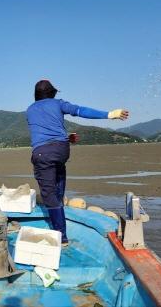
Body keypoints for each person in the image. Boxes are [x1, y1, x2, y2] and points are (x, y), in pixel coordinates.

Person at [26, 80, 129, 246]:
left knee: (49, 196)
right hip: (61, 149)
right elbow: (80, 111)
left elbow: (42, 131)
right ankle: (59, 211)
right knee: (57, 184)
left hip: (42, 153)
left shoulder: (30, 110)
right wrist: (110, 114)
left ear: (36, 95)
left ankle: (61, 237)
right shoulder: (58, 104)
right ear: (52, 93)